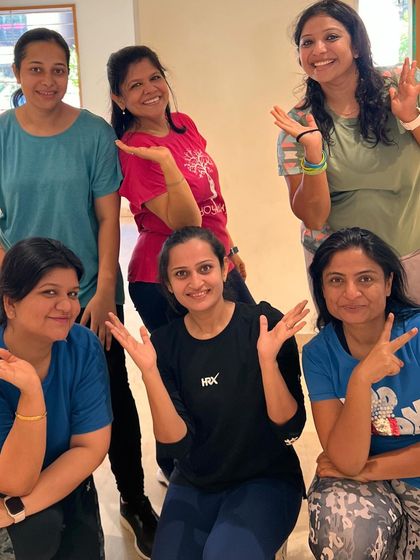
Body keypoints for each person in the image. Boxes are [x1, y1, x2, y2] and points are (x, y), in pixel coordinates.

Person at [0, 28, 156, 558]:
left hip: (87, 293)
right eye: (36, 69)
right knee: (17, 391)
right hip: (18, 296)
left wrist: (105, 288)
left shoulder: (92, 133)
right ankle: (26, 488)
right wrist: (12, 289)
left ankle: (134, 499)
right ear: (18, 73)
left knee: (110, 395)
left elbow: (109, 217)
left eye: (58, 70)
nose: (48, 80)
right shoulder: (2, 135)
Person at [106, 226, 307, 560]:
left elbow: (290, 428)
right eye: (181, 274)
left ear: (225, 269)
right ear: (167, 284)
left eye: (205, 268)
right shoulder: (165, 345)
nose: (196, 282)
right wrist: (150, 372)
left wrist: (267, 363)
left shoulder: (263, 325)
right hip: (196, 481)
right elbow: (176, 444)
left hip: (266, 478)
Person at [272, 0, 420, 300]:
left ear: (356, 46)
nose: (319, 50)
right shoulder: (298, 125)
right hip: (341, 269)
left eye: (331, 37)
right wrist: (314, 154)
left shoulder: (401, 86)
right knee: (351, 331)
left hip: (412, 253)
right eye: (307, 43)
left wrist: (410, 118)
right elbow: (313, 218)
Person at [107, 46, 254, 334]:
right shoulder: (135, 151)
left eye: (155, 78)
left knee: (247, 342)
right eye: (135, 85)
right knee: (205, 359)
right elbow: (187, 223)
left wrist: (229, 248)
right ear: (119, 98)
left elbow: (210, 199)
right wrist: (166, 162)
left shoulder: (183, 124)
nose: (150, 89)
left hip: (210, 258)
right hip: (165, 276)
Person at [302, 227, 420, 559]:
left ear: (388, 283)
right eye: (336, 280)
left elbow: (354, 466)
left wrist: (371, 469)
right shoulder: (318, 353)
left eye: (365, 279)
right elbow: (345, 460)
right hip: (358, 483)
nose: (351, 293)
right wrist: (360, 380)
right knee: (343, 530)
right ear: (322, 288)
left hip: (385, 473)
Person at [0, 237, 112, 560]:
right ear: (10, 304)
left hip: (61, 481)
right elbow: (14, 480)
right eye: (50, 292)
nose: (67, 306)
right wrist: (32, 394)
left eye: (73, 294)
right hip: (7, 481)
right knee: (38, 532)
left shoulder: (82, 345)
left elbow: (90, 447)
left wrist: (17, 509)